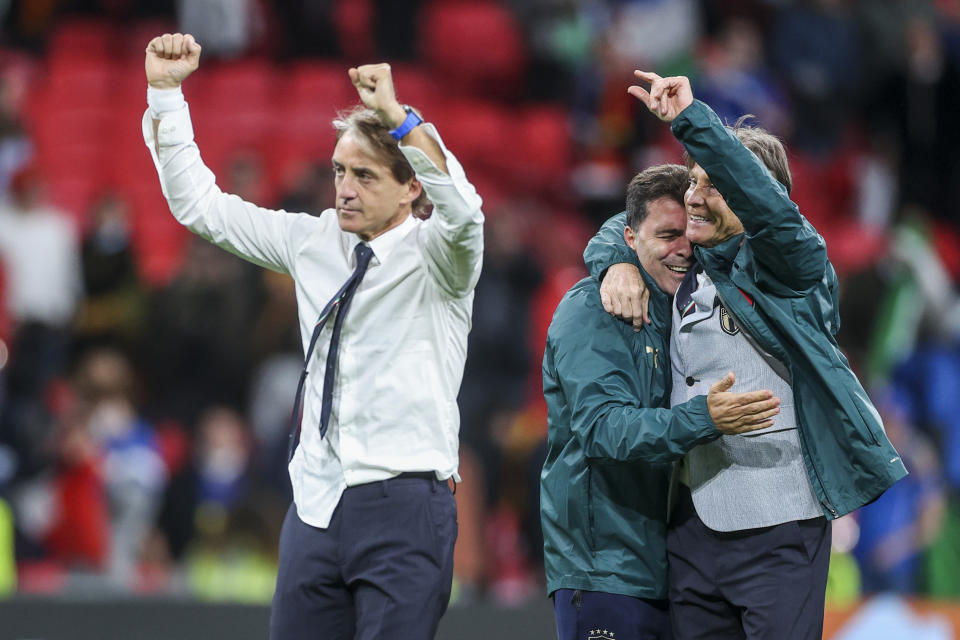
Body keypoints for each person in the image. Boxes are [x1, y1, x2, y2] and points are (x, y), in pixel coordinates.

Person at [143, 33, 484, 639]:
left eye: (365, 175)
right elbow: (200, 206)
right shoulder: (313, 240)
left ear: (411, 187)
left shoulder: (442, 256)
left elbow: (464, 210)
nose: (345, 188)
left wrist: (402, 120)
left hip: (405, 504)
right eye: (338, 171)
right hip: (316, 503)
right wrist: (167, 95)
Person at [583, 71, 908, 639]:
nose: (694, 196)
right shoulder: (683, 266)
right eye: (693, 181)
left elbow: (770, 213)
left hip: (779, 524)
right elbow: (630, 224)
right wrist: (613, 256)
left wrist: (691, 121)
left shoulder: (794, 269)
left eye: (714, 183)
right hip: (693, 525)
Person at [541, 164, 783, 640]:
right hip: (605, 569)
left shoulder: (679, 309)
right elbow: (603, 429)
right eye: (667, 235)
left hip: (668, 570)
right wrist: (705, 418)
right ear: (631, 238)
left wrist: (618, 256)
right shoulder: (596, 309)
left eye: (690, 234)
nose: (683, 250)